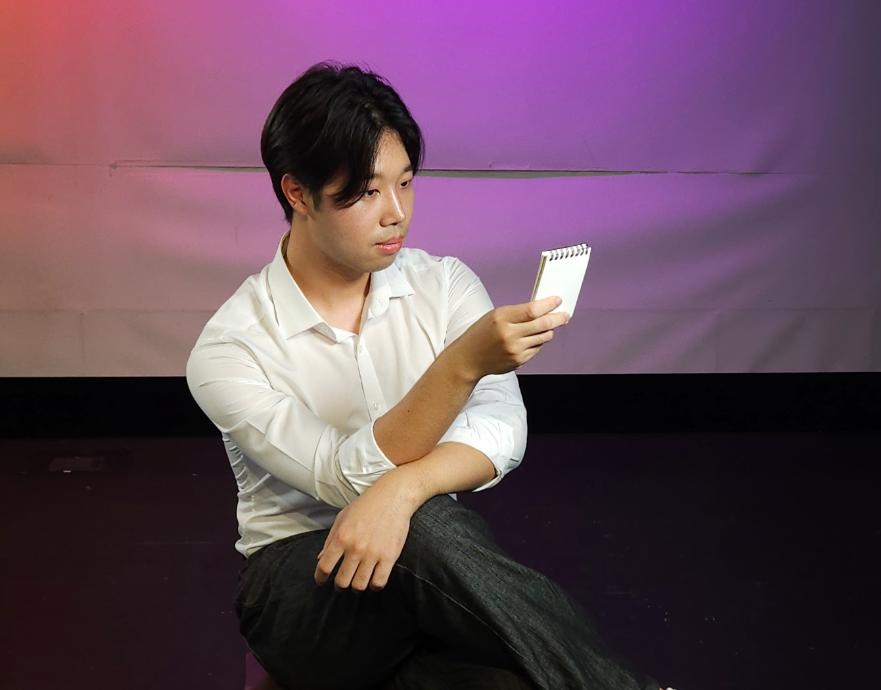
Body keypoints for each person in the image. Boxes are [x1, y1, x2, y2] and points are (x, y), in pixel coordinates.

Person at [186, 61, 666, 690]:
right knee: (431, 527)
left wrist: (404, 491)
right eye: (366, 192)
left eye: (406, 183)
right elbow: (342, 475)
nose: (396, 213)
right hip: (303, 592)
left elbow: (502, 430)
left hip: (428, 577)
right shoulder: (231, 347)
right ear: (298, 194)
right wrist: (462, 365)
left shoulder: (444, 284)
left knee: (507, 677)